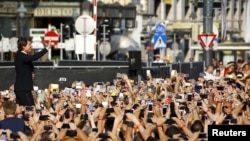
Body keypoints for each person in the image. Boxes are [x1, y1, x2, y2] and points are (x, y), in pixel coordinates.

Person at [14, 37, 51, 106]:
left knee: (21, 110)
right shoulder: (20, 55)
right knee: (30, 109)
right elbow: (34, 57)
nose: (31, 46)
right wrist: (46, 49)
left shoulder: (23, 56)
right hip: (23, 89)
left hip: (23, 88)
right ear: (23, 46)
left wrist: (31, 72)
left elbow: (26, 67)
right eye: (29, 44)